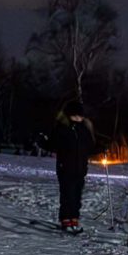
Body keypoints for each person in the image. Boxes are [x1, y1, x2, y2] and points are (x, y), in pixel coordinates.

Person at [43, 100, 99, 234]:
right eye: (76, 115)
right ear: (70, 115)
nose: (79, 118)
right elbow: (52, 144)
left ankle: (74, 219)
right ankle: (65, 220)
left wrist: (101, 148)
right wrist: (42, 141)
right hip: (66, 167)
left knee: (77, 195)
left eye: (80, 116)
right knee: (67, 194)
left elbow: (90, 146)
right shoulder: (63, 128)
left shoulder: (84, 128)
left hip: (80, 168)